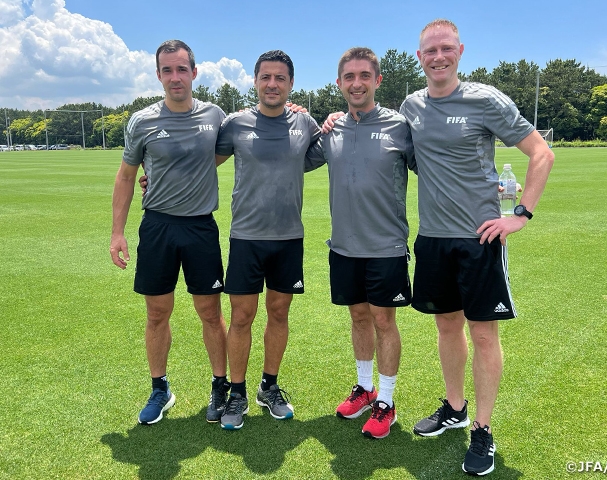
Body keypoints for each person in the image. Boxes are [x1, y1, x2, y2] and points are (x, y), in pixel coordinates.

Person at [399, 19, 554, 475]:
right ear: (419, 56)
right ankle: (455, 407)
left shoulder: (485, 99)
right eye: (430, 50)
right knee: (446, 327)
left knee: (483, 334)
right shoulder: (412, 104)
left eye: (446, 48)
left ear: (460, 51)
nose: (438, 57)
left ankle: (482, 430)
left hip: (480, 239)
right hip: (432, 238)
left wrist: (520, 214)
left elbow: (541, 153)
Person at [110, 39, 230, 425]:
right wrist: (117, 232)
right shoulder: (142, 121)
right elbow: (127, 175)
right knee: (157, 312)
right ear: (158, 74)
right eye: (167, 70)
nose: (175, 77)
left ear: (194, 72)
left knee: (209, 311)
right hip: (158, 227)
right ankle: (160, 388)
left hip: (200, 227)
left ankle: (220, 385)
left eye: (182, 69)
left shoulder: (215, 115)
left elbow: (224, 150)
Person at [306, 47, 415, 439]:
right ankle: (365, 389)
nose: (356, 83)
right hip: (343, 248)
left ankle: (386, 401)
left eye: (364, 76)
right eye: (349, 77)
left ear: (377, 80)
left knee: (384, 320)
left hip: (385, 247)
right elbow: (291, 158)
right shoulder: (332, 130)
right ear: (339, 83)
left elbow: (439, 166)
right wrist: (303, 118)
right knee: (357, 317)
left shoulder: (400, 127)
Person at [214, 50, 322, 430]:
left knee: (279, 313)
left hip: (288, 238)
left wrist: (338, 119)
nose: (272, 84)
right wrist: (155, 178)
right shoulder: (234, 124)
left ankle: (269, 386)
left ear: (291, 84)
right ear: (255, 81)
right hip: (246, 237)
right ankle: (237, 392)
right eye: (266, 77)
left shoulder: (305, 123)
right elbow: (202, 162)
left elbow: (331, 148)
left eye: (280, 78)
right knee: (242, 316)